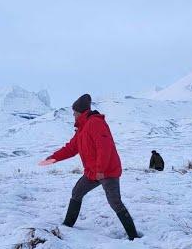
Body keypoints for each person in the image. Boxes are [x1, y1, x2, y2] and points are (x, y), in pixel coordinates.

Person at [38, 93, 140, 240]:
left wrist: (100, 170)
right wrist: (52, 159)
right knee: (77, 192)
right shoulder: (81, 129)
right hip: (93, 172)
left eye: (74, 113)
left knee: (115, 202)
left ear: (80, 112)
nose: (73, 116)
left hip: (107, 171)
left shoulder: (95, 123)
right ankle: (67, 226)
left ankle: (134, 236)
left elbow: (104, 147)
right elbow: (70, 149)